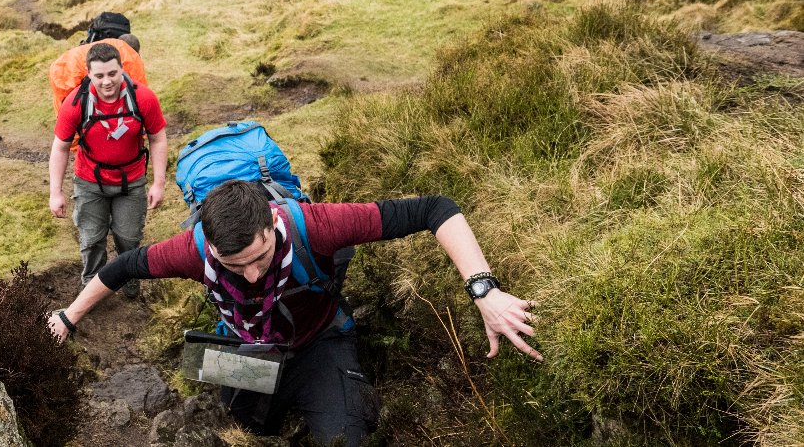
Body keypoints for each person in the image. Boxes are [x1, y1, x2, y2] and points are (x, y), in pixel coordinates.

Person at [46, 180, 542, 445]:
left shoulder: (318, 226)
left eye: (260, 258)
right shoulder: (190, 250)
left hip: (318, 342)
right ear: (211, 249)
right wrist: (68, 317)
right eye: (233, 266)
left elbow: (435, 209)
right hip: (247, 349)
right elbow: (123, 267)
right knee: (248, 426)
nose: (254, 276)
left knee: (344, 437)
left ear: (272, 226)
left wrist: (484, 290)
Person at [48, 42, 168, 298]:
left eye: (112, 74)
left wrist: (158, 184)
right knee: (92, 240)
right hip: (89, 181)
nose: (106, 82)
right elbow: (60, 147)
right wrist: (55, 192)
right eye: (99, 75)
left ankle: (130, 278)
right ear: (88, 74)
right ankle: (92, 286)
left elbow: (158, 138)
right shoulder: (75, 103)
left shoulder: (143, 97)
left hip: (131, 181)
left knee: (128, 238)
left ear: (122, 70)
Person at [47, 34, 144, 111]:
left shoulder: (117, 45)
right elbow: (140, 94)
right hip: (68, 70)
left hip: (60, 67)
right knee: (72, 107)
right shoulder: (131, 57)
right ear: (137, 52)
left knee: (66, 108)